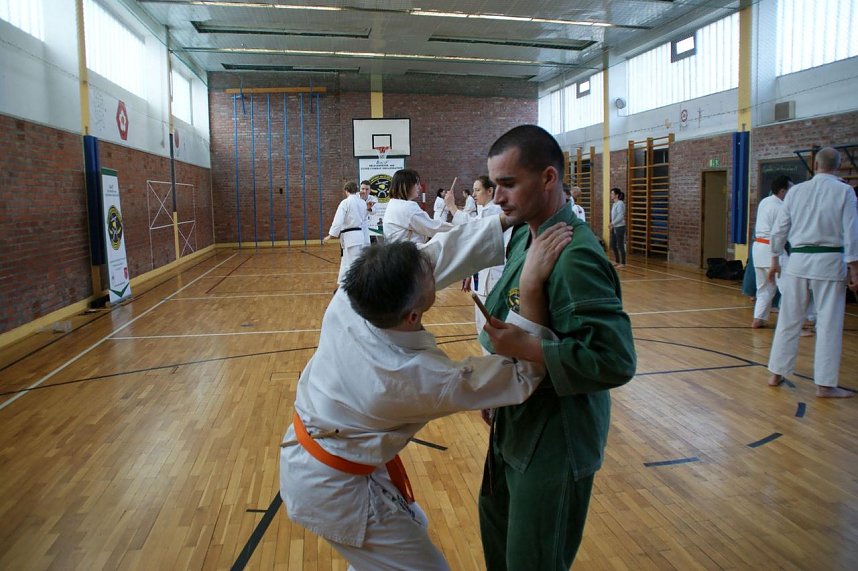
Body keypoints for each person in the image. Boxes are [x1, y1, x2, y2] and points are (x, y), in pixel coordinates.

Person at [280, 216, 574, 570]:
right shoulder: (411, 378)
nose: (432, 263)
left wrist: (503, 220)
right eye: (428, 273)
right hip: (334, 485)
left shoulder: (354, 292)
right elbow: (521, 375)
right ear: (412, 317)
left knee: (406, 532)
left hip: (328, 447)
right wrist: (530, 286)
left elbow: (435, 254)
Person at [478, 125, 637, 569]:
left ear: (548, 178)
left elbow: (614, 359)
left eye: (508, 184)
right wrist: (498, 387)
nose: (497, 198)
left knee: (533, 559)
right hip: (518, 418)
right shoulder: (526, 236)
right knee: (499, 538)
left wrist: (528, 349)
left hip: (556, 433)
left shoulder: (574, 253)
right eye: (495, 185)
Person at [767, 147, 858, 397]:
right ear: (837, 167)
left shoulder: (796, 191)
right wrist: (855, 269)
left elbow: (779, 230)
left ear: (815, 165)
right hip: (829, 262)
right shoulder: (844, 191)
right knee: (829, 323)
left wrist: (775, 259)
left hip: (797, 262)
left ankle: (776, 372)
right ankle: (825, 384)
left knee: (789, 318)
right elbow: (852, 233)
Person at [446, 175, 510, 331]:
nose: (474, 194)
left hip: (494, 274)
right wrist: (471, 273)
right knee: (481, 324)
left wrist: (452, 207)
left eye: (477, 190)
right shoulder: (484, 210)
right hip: (483, 273)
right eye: (473, 190)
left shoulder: (494, 210)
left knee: (489, 325)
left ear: (490, 191)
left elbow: (474, 228)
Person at [751, 175, 792, 328]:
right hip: (772, 249)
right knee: (788, 287)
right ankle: (790, 324)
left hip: (758, 248)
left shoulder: (765, 202)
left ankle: (759, 318)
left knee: (764, 287)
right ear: (782, 191)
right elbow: (782, 231)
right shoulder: (781, 207)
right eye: (790, 189)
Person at [383, 169, 453, 244]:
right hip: (408, 253)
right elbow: (432, 228)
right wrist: (457, 227)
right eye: (417, 184)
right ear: (407, 185)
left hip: (395, 250)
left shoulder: (393, 203)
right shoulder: (407, 207)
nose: (420, 187)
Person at [324, 181, 370, 285]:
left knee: (351, 263)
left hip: (350, 237)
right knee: (346, 261)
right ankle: (342, 283)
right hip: (359, 235)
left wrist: (331, 235)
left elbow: (338, 220)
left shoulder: (345, 203)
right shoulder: (362, 202)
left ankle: (354, 285)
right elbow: (363, 219)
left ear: (346, 190)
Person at [609, 187, 627, 267]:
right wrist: (611, 223)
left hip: (620, 227)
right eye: (611, 193)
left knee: (620, 245)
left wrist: (612, 223)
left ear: (617, 195)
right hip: (614, 226)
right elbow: (614, 216)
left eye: (612, 193)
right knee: (613, 245)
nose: (611, 195)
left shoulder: (620, 203)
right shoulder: (614, 204)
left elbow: (620, 216)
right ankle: (617, 261)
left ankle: (623, 263)